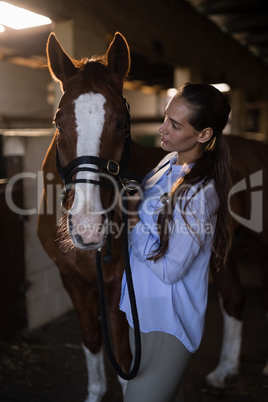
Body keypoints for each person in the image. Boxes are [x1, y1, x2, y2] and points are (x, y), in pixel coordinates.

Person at [119, 82, 233, 402]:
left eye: (175, 124)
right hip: (140, 312)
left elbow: (170, 269)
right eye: (166, 118)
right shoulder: (165, 165)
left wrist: (131, 223)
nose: (162, 129)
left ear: (204, 134)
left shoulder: (201, 193)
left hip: (166, 325)